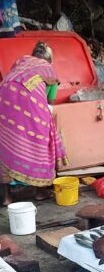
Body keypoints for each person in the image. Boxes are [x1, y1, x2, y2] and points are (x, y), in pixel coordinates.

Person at [0, 41, 66, 206]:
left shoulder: (21, 63)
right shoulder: (48, 71)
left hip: (4, 102)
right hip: (29, 109)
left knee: (5, 146)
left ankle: (7, 197)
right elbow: (50, 101)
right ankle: (40, 191)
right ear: (49, 60)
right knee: (42, 143)